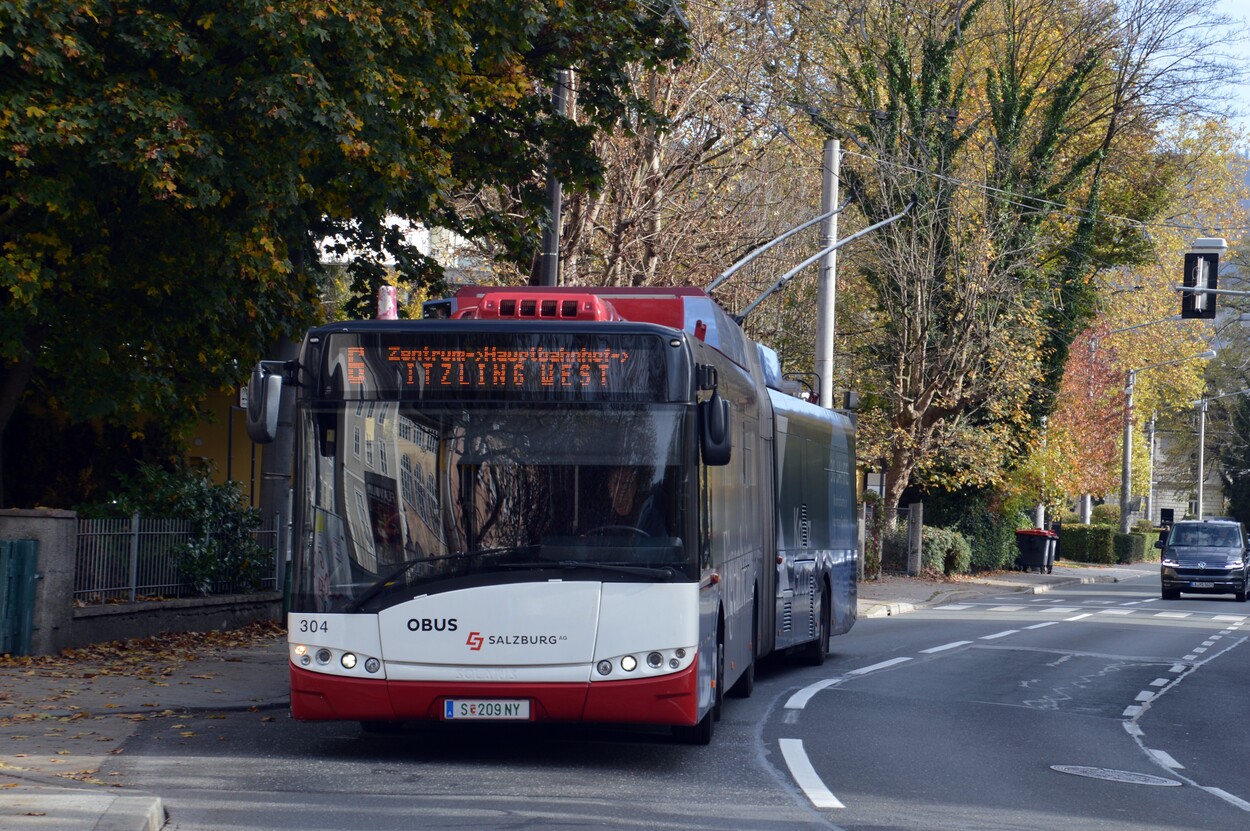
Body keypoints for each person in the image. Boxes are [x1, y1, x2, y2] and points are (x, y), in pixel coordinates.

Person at [601, 465, 667, 538]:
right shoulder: (601, 517)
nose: (622, 489)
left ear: (634, 488)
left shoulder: (648, 518)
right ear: (609, 487)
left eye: (626, 483)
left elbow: (662, 545)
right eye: (616, 483)